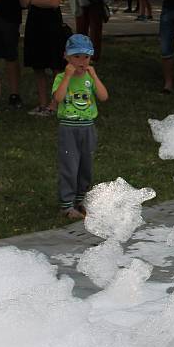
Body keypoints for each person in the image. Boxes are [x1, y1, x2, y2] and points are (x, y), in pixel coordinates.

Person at [52, 34, 109, 219]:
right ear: (67, 57)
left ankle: (81, 199)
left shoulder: (90, 78)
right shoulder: (62, 77)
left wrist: (95, 76)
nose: (81, 61)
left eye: (86, 57)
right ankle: (67, 204)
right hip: (68, 128)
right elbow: (58, 98)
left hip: (88, 128)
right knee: (70, 164)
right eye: (76, 56)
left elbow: (103, 97)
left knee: (86, 165)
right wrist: (67, 76)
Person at [20, 0, 65, 116]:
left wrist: (33, 2)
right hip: (34, 23)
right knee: (37, 66)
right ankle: (42, 103)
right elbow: (24, 3)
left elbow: (54, 3)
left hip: (52, 24)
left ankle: (55, 103)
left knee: (55, 66)